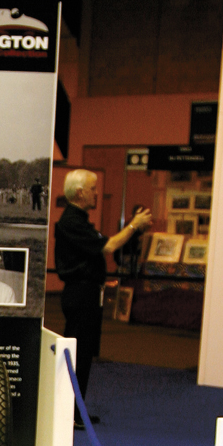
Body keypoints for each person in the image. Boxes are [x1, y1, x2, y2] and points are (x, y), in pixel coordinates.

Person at [54, 169, 151, 428]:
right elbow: (108, 246)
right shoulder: (72, 222)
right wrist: (133, 225)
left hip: (86, 294)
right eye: (93, 188)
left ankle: (76, 411)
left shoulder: (79, 221)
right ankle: (69, 412)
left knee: (84, 354)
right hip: (80, 294)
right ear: (79, 193)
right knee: (78, 354)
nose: (97, 193)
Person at [115, 204, 149, 276]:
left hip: (135, 264)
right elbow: (119, 254)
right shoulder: (128, 231)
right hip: (128, 264)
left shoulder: (144, 232)